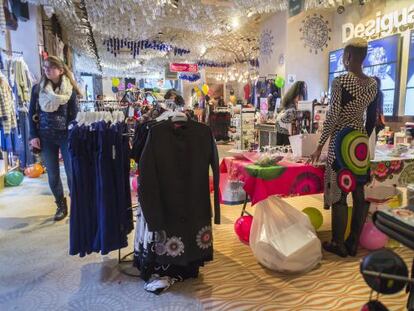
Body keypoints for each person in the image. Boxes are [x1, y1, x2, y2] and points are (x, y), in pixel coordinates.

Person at [309, 38, 378, 257]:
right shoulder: (374, 84)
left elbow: (333, 116)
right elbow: (372, 120)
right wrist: (362, 140)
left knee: (339, 191)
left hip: (340, 140)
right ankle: (352, 243)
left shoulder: (340, 81)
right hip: (359, 144)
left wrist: (320, 145)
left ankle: (338, 243)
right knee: (359, 193)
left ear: (347, 57)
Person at [29, 56, 82, 221]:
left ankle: (77, 205)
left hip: (66, 136)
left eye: (51, 67)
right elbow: (31, 113)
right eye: (45, 67)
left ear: (60, 70)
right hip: (45, 137)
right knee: (52, 174)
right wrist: (33, 136)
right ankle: (60, 205)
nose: (47, 70)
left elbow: (75, 116)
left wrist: (75, 136)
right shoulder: (38, 89)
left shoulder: (69, 90)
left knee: (72, 173)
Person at [275, 81, 307, 145]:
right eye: (300, 96)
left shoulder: (286, 108)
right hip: (288, 139)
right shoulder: (292, 111)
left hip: (282, 138)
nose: (300, 98)